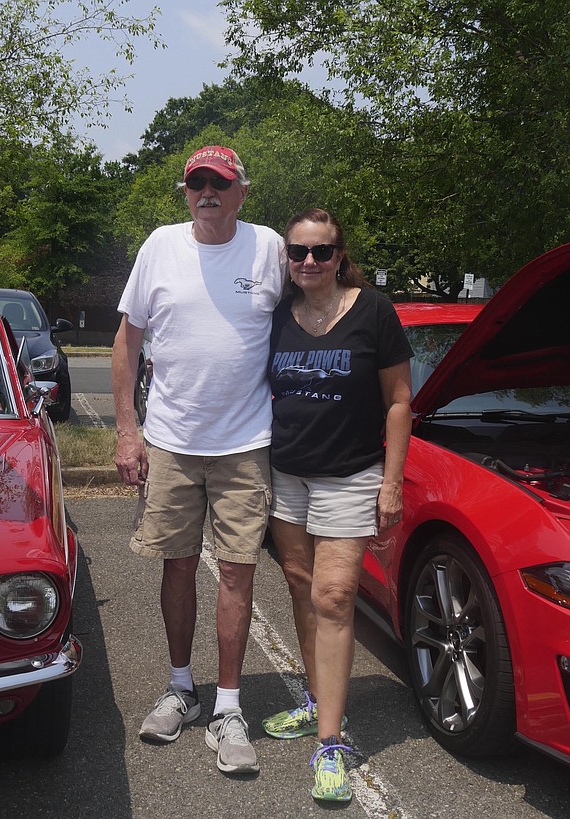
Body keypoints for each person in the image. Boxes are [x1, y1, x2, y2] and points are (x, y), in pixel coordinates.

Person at [111, 145, 286, 774]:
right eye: (196, 183)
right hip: (172, 443)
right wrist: (128, 432)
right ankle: (180, 687)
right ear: (186, 192)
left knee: (238, 573)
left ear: (242, 190)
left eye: (220, 182)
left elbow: (309, 315)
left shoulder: (268, 247)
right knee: (177, 568)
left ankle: (230, 708)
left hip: (245, 446)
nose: (207, 191)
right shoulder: (160, 245)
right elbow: (128, 342)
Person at [261, 209, 413, 801]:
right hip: (287, 473)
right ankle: (319, 700)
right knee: (301, 584)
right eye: (297, 253)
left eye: (320, 252)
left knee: (335, 595)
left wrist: (391, 483)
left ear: (339, 255)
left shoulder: (373, 310)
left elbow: (399, 401)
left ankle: (330, 744)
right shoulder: (278, 315)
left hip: (350, 475)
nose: (307, 263)